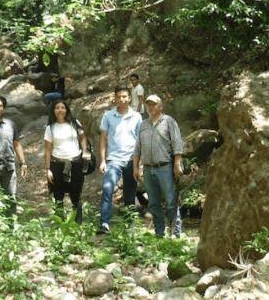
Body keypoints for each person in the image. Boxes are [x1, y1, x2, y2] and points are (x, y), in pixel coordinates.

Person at [133, 94, 184, 238]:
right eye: (148, 104)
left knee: (170, 201)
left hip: (165, 167)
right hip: (148, 169)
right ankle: (159, 232)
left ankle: (175, 233)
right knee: (153, 203)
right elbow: (137, 148)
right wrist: (136, 167)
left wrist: (177, 164)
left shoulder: (169, 121)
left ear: (160, 106)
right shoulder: (143, 125)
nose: (151, 107)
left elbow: (177, 144)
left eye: (153, 104)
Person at [97, 86, 143, 234]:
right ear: (115, 98)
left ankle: (130, 225)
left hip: (131, 159)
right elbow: (103, 138)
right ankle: (104, 223)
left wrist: (139, 164)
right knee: (107, 188)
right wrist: (103, 160)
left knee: (130, 194)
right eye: (119, 97)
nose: (122, 99)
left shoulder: (137, 116)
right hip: (114, 160)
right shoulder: (108, 116)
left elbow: (140, 141)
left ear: (129, 98)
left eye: (124, 96)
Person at [44, 100, 89, 224]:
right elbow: (47, 149)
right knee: (58, 194)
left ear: (67, 110)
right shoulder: (50, 128)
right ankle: (59, 222)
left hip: (75, 162)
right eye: (57, 107)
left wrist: (84, 151)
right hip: (57, 163)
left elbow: (83, 138)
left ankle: (77, 222)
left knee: (76, 192)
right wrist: (47, 169)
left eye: (62, 107)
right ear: (53, 110)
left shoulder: (75, 123)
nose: (60, 110)